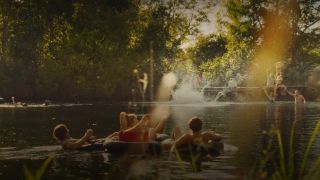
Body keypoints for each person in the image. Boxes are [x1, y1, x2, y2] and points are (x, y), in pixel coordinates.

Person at [53, 124, 118, 150]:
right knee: (112, 139)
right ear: (64, 133)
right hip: (90, 147)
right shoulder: (65, 142)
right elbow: (74, 146)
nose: (68, 132)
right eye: (67, 131)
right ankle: (112, 138)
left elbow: (80, 141)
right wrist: (86, 136)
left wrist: (88, 138)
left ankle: (112, 136)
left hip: (91, 144)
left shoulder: (68, 139)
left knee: (114, 135)